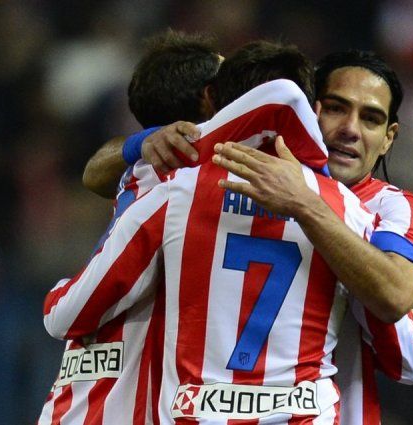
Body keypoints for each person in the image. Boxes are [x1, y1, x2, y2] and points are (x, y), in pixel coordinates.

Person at [41, 40, 392, 423]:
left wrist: (59, 290)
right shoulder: (346, 209)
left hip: (97, 398)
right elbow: (406, 356)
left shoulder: (167, 184)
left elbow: (65, 311)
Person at [210, 49, 413, 425]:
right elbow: (104, 171)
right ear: (308, 110)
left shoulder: (397, 210)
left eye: (371, 119)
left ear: (388, 138)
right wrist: (143, 143)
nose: (350, 128)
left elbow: (402, 335)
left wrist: (306, 205)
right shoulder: (242, 176)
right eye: (335, 108)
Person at [37, 29, 222, 424]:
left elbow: (93, 173)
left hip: (103, 388)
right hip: (108, 402)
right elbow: (63, 315)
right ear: (210, 96)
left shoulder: (146, 169)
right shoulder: (175, 183)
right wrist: (59, 297)